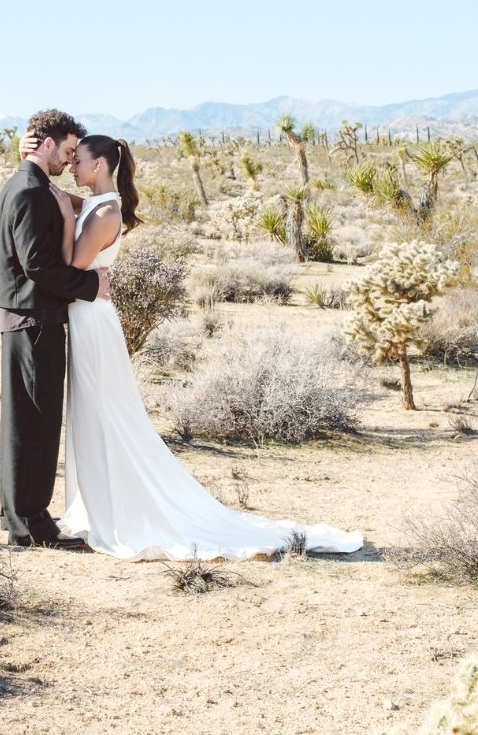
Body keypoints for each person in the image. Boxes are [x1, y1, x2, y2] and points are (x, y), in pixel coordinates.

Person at [44, 133, 363, 561]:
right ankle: (103, 503)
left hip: (93, 321)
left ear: (99, 165)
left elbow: (73, 266)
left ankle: (119, 508)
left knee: (104, 411)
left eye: (79, 160)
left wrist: (65, 217)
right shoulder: (100, 205)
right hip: (88, 316)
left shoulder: (103, 212)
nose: (73, 166)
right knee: (94, 411)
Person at [0, 109, 110, 550]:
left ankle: (19, 515)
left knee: (24, 421)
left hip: (26, 316)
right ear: (45, 145)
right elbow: (38, 266)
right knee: (36, 423)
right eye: (65, 150)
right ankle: (33, 526)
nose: (68, 159)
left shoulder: (29, 185)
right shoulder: (29, 191)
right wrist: (90, 284)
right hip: (34, 317)